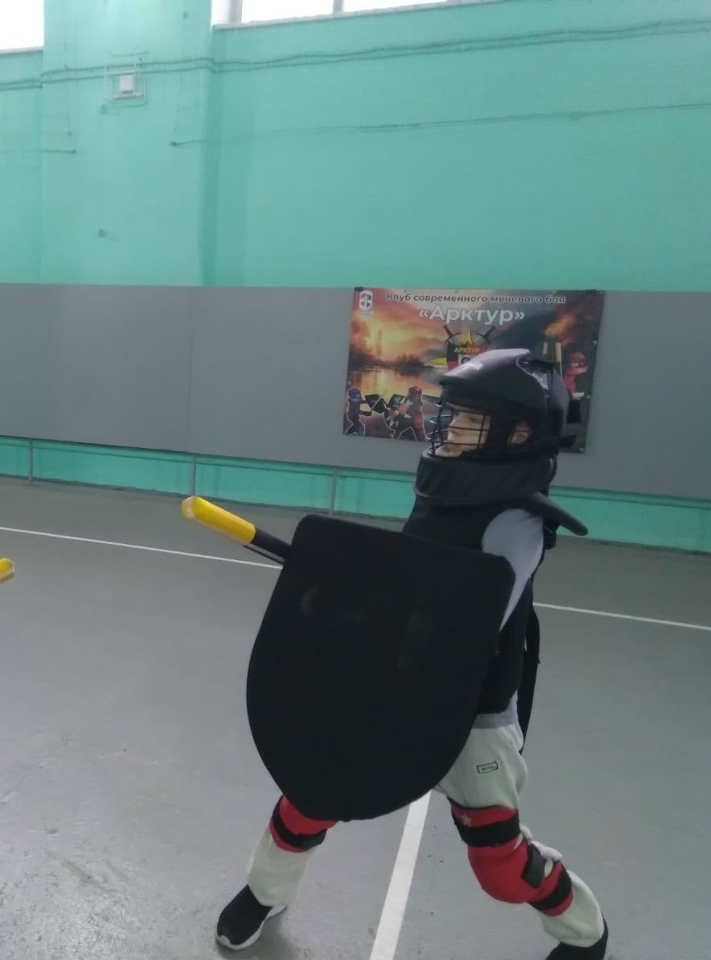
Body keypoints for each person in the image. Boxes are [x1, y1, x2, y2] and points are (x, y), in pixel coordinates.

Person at [215, 349, 609, 959]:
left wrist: (371, 602)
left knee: (500, 864)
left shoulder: (518, 519)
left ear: (519, 432)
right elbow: (408, 576)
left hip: (473, 710)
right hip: (396, 681)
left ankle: (585, 930)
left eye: (471, 417)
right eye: (455, 412)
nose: (450, 425)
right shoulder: (446, 489)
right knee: (310, 794)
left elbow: (465, 620)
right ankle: (265, 892)